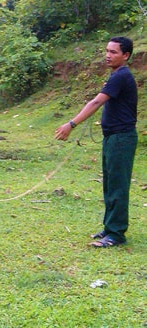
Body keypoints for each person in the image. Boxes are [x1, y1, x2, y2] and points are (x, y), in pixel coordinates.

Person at [55, 36, 138, 248]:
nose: (108, 55)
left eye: (114, 52)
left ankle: (117, 234)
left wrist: (71, 124)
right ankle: (110, 227)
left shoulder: (121, 76)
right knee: (110, 184)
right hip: (112, 137)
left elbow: (96, 101)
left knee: (118, 185)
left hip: (121, 138)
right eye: (107, 51)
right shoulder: (116, 76)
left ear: (125, 55)